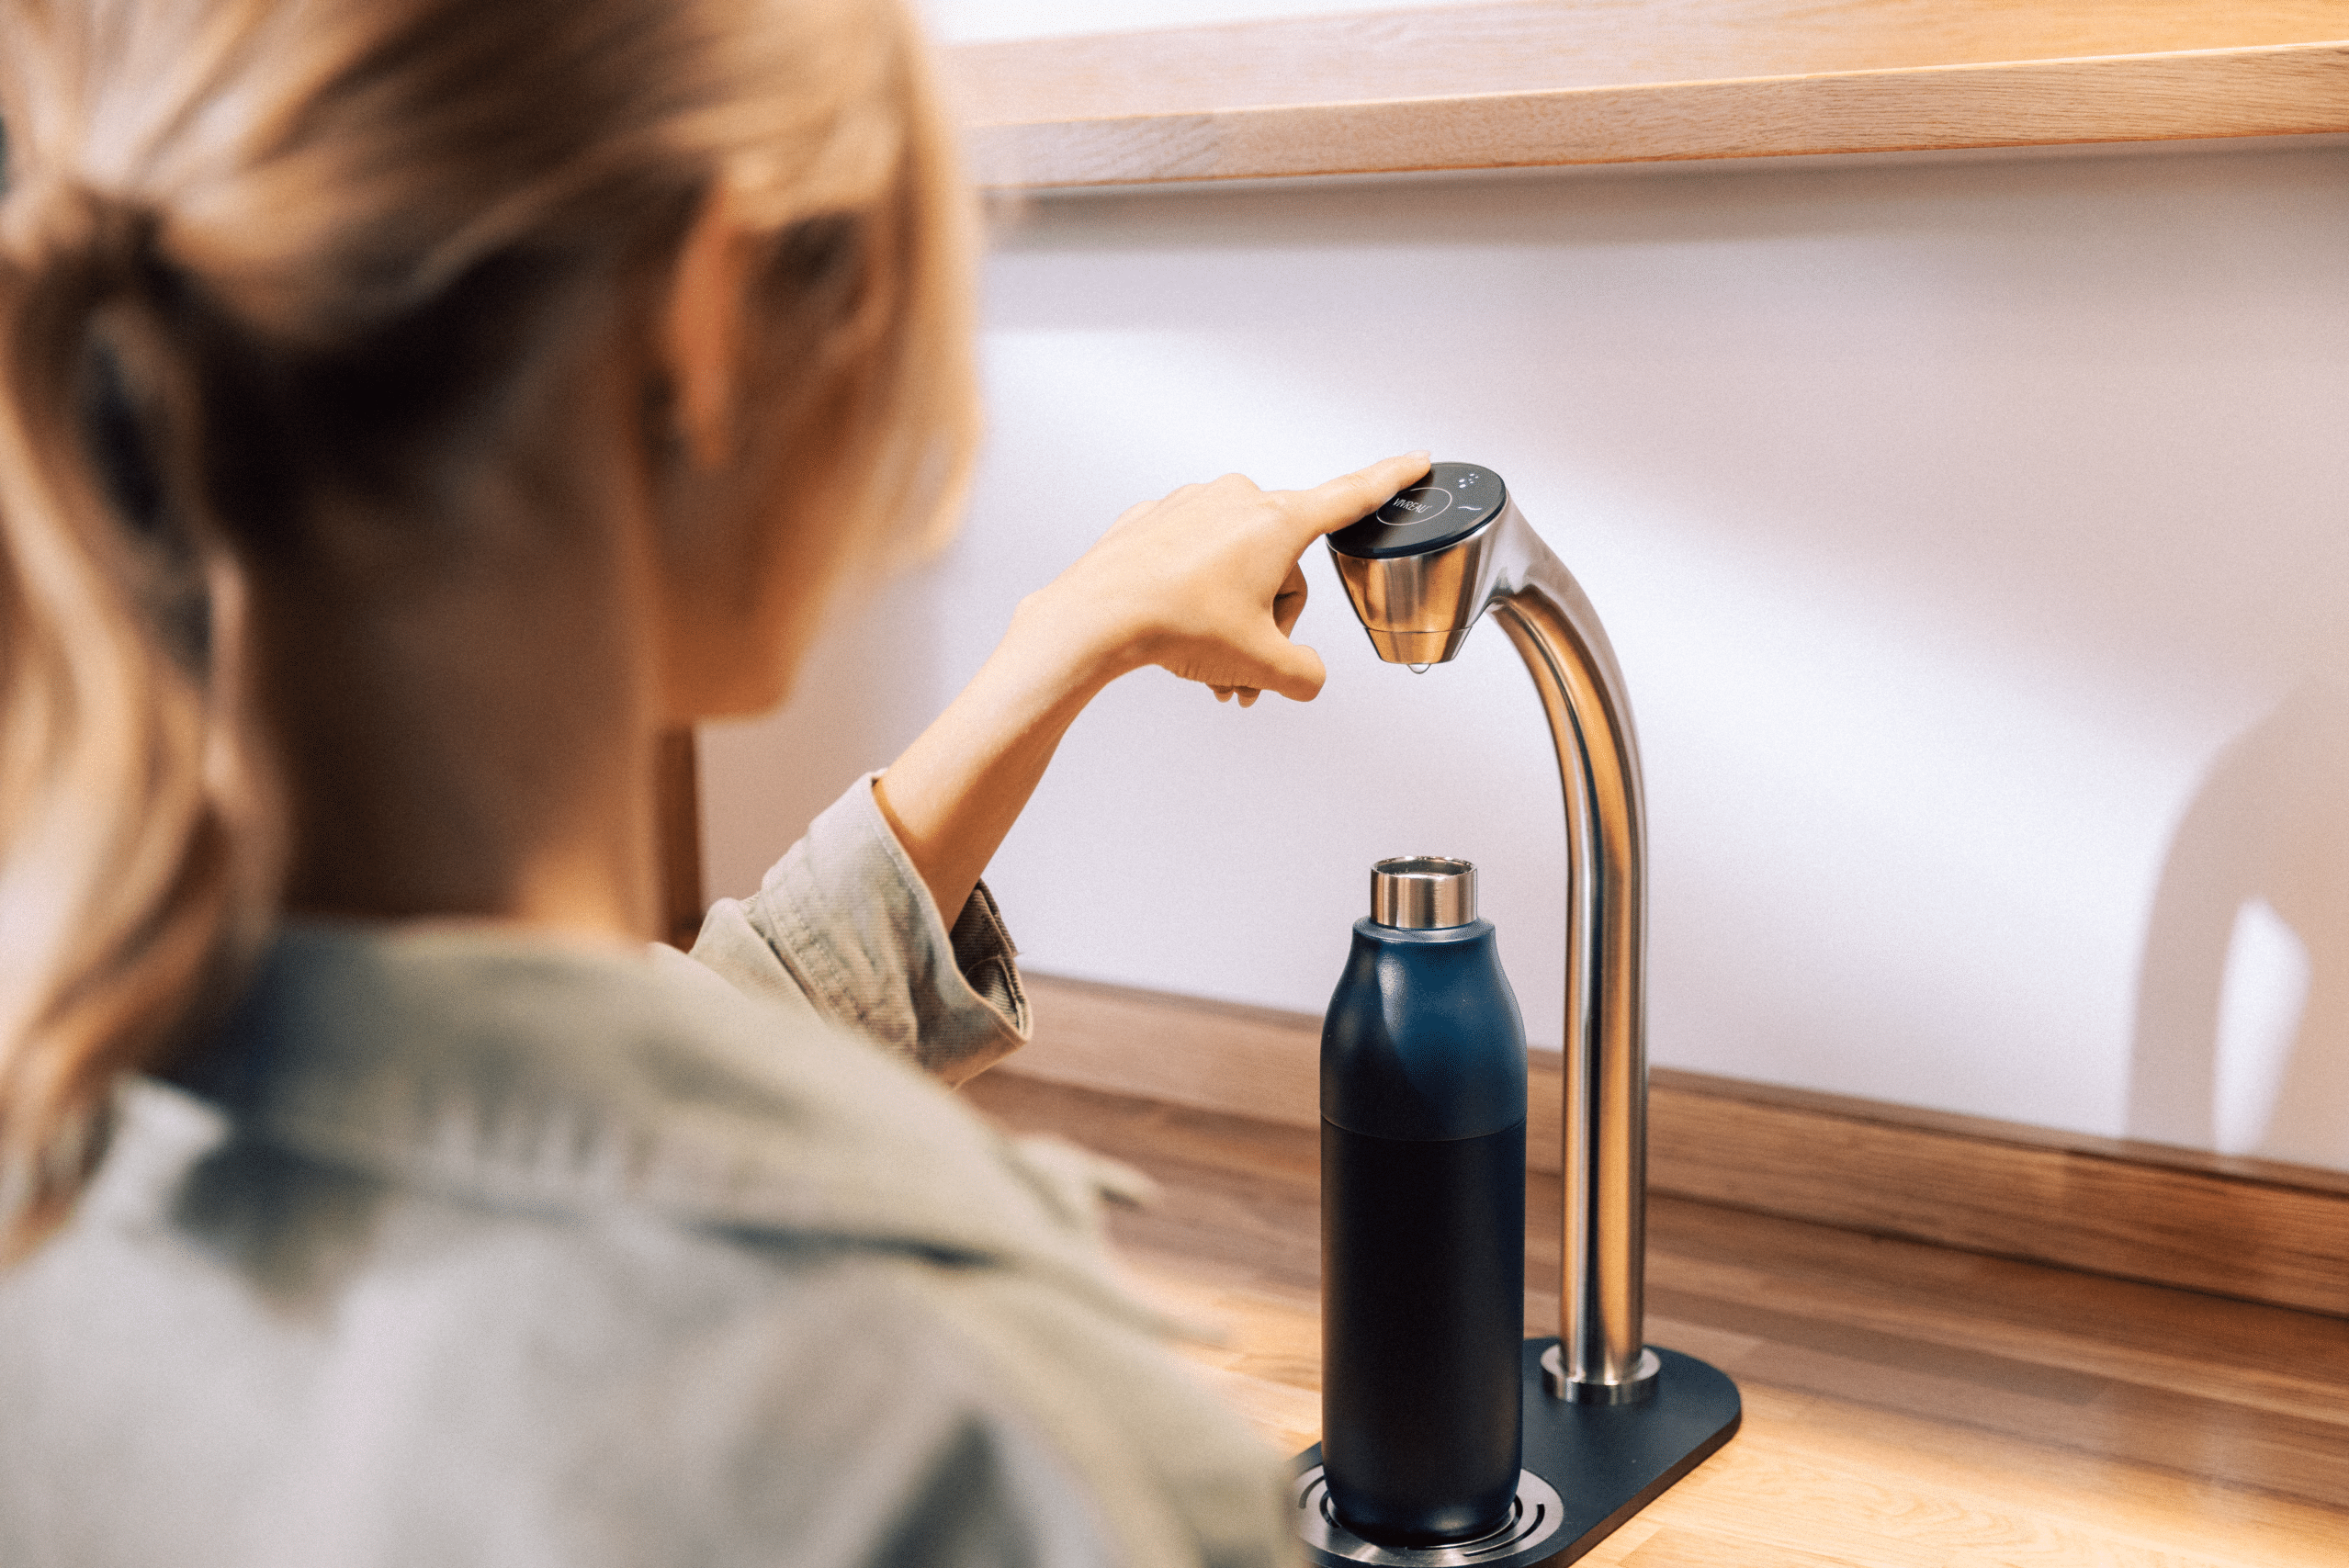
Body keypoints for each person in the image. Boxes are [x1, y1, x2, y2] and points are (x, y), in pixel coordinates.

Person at [0, 0, 1428, 1562]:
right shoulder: (980, 1455)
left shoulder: (74, 1156)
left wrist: (1057, 650)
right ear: (710, 320)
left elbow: (541, 1085)